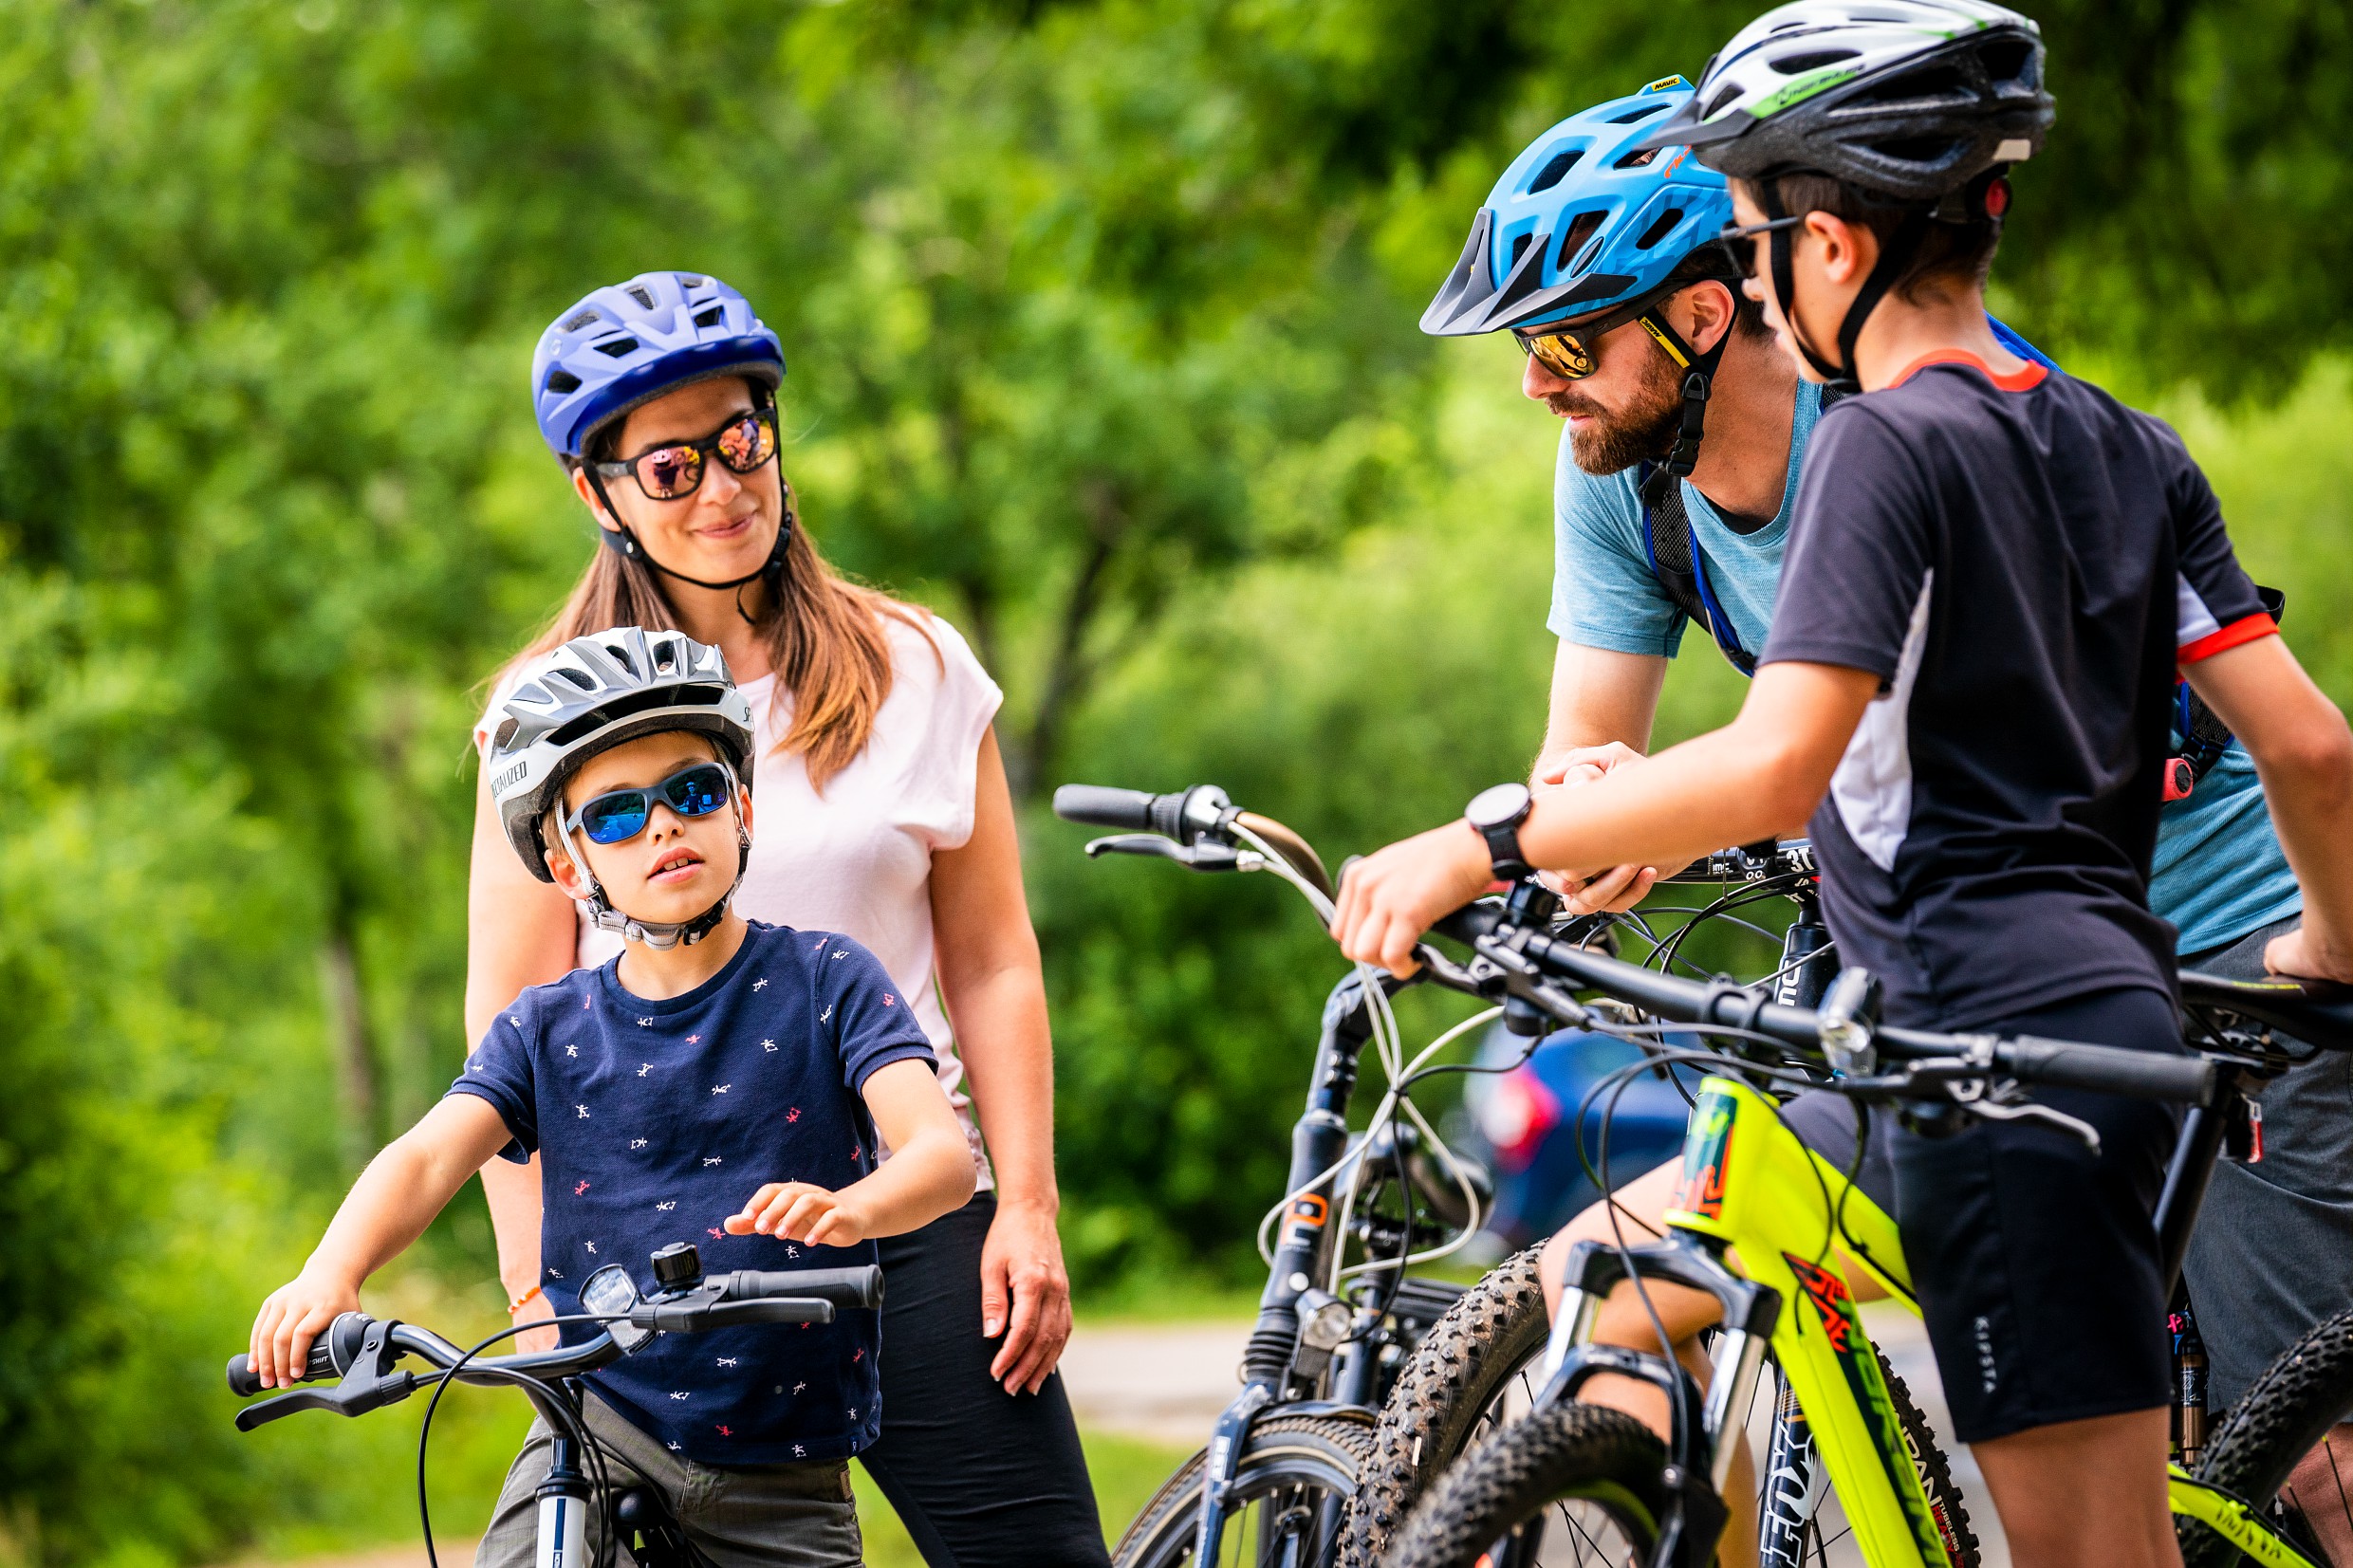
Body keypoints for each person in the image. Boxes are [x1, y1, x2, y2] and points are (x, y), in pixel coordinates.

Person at [1331, 6, 2353, 1566]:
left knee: (2296, 1475)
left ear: (1777, 269)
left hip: (2087, 978)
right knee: (1639, 1265)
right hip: (2038, 986)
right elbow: (2314, 742)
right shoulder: (2104, 439)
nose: (1539, 386)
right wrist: (1595, 813)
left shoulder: (1882, 442)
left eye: (1561, 341)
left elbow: (1782, 761)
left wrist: (1496, 838)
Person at [468, 272, 1109, 1565]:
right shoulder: (539, 717)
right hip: (649, 1255)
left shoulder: (918, 665)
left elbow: (992, 963)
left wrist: (1027, 1208)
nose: (721, 486)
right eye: (671, 464)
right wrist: (534, 1286)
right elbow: (507, 1016)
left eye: (742, 437)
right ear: (598, 495)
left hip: (910, 1227)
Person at [251, 626, 978, 1567]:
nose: (663, 825)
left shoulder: (827, 979)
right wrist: (330, 1274)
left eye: (691, 791)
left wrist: (852, 1208)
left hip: (785, 1470)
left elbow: (940, 1158)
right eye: (614, 815)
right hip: (598, 1428)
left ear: (742, 809)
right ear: (567, 867)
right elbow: (428, 1155)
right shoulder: (545, 1028)